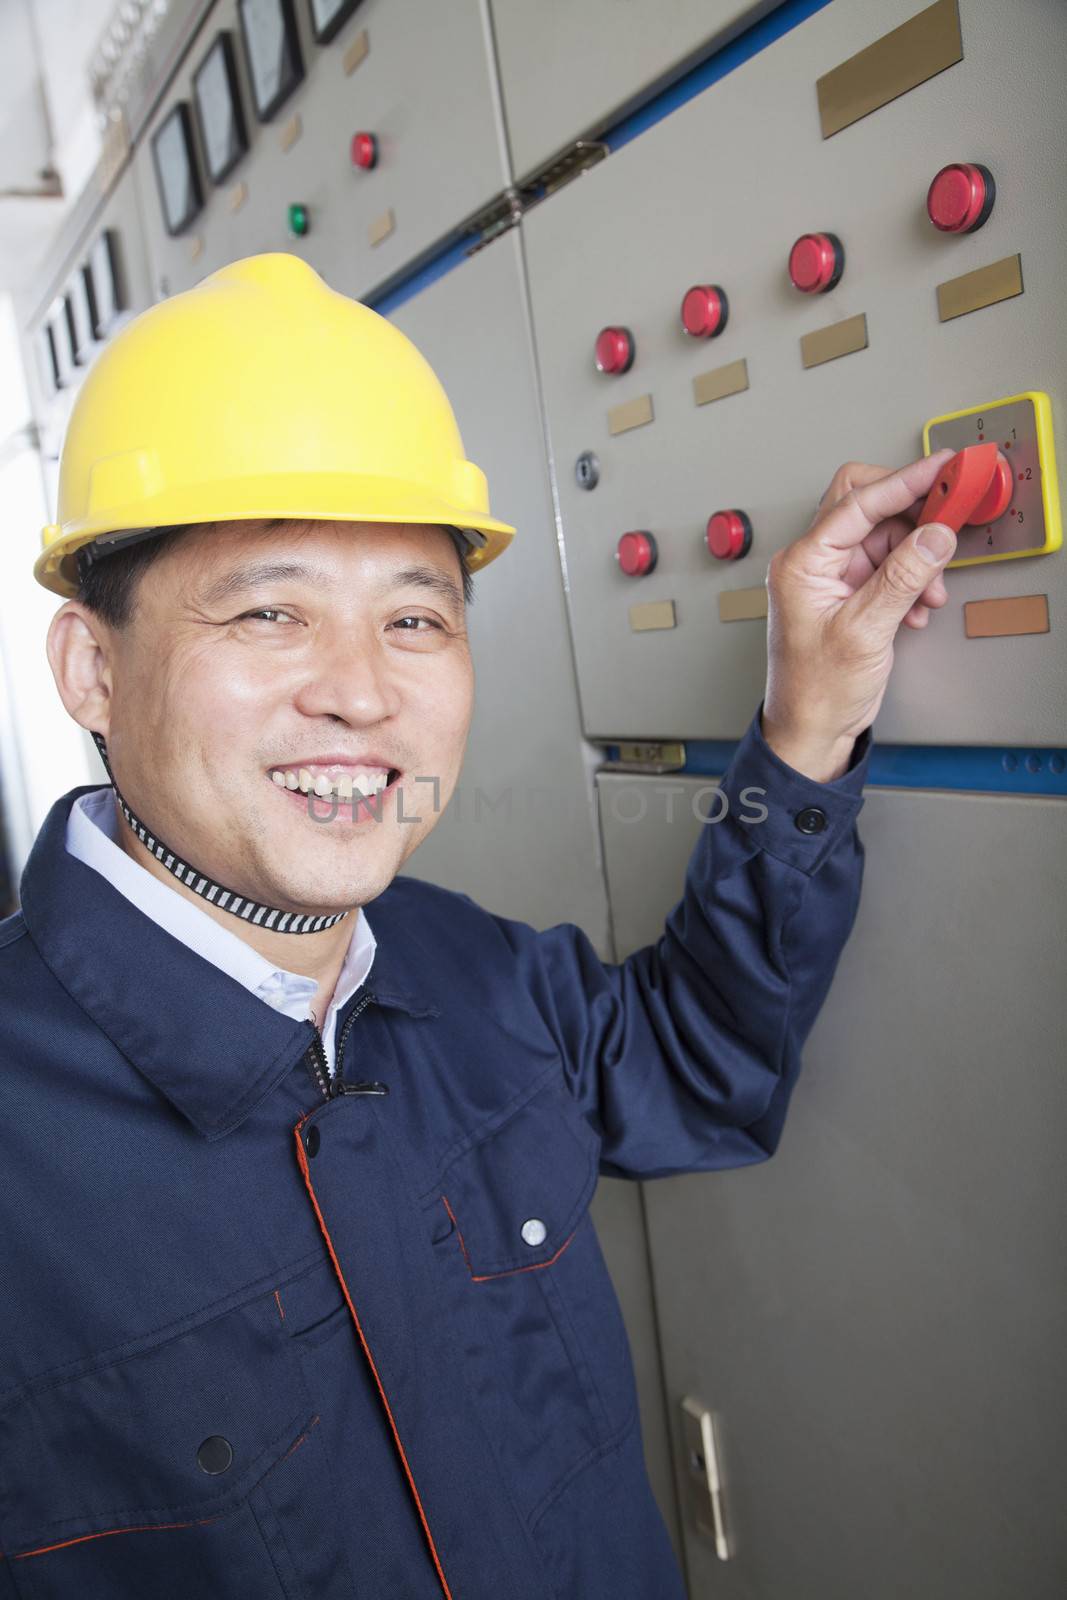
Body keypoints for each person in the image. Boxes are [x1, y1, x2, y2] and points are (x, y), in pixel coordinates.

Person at [0, 253, 957, 1599]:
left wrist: (808, 720)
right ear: (92, 667)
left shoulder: (464, 964)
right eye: (271, 612)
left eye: (413, 618)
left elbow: (694, 1062)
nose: (360, 694)